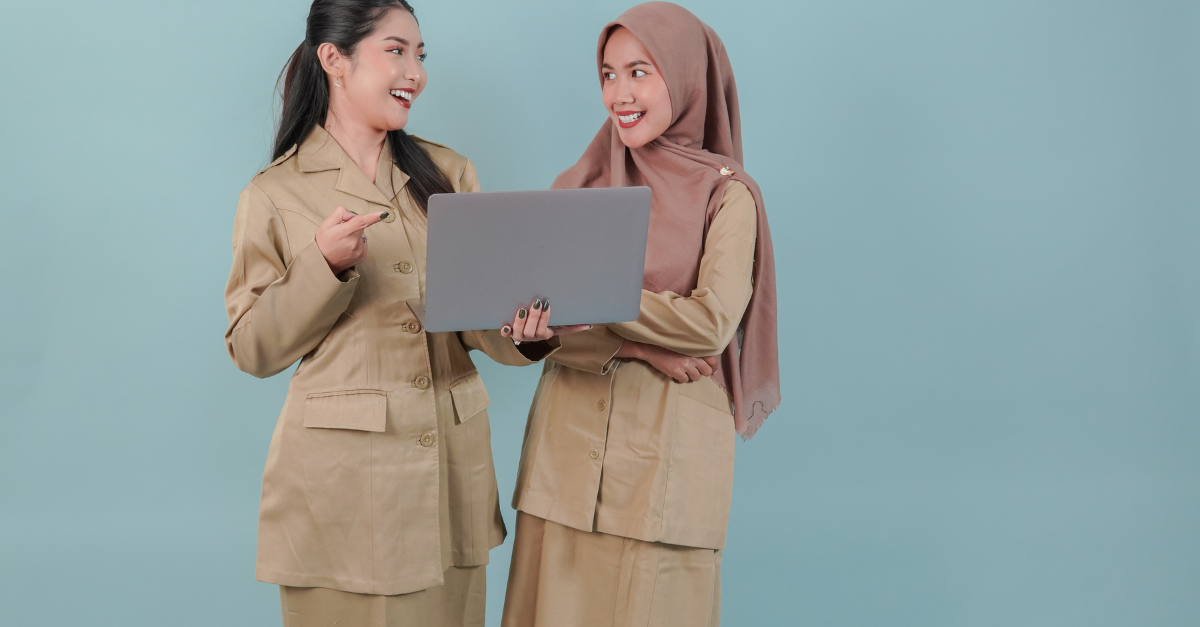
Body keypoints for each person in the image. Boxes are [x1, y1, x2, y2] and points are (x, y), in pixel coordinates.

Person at [222, 1, 583, 625]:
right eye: (396, 50)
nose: (415, 72)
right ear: (334, 59)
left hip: (451, 473)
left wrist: (527, 334)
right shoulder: (274, 193)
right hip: (343, 485)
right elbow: (251, 349)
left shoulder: (448, 173)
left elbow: (475, 320)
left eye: (420, 55)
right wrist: (322, 266)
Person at [501, 3, 780, 626]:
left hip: (666, 464)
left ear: (685, 77)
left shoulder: (727, 195)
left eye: (639, 72)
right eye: (607, 75)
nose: (618, 94)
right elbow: (538, 323)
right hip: (564, 463)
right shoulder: (580, 185)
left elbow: (711, 323)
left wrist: (592, 293)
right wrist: (636, 345)